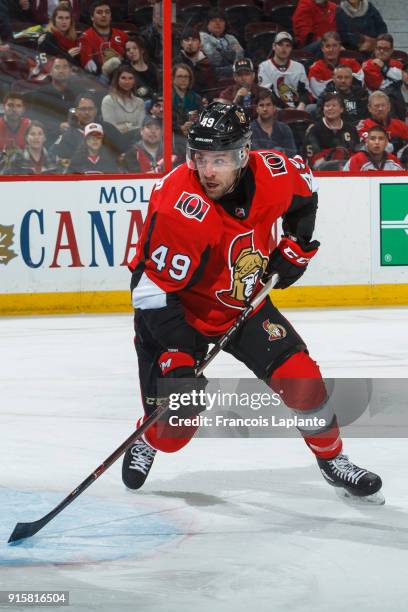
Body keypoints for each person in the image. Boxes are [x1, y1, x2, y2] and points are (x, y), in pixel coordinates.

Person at [121, 101, 383, 505]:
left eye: (219, 159)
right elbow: (151, 291)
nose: (207, 171)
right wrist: (178, 356)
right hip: (178, 316)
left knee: (303, 381)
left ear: (243, 154)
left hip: (242, 303)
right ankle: (149, 435)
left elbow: (305, 198)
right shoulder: (179, 205)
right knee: (177, 429)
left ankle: (333, 460)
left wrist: (296, 246)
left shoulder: (275, 173)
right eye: (200, 158)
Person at [52, 93, 124, 161]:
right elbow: (58, 156)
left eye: (90, 109)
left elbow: (122, 150)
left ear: (96, 111)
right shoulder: (68, 134)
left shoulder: (108, 129)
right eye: (83, 109)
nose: (87, 112)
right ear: (76, 112)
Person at [26, 56, 78, 145]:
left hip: (73, 139)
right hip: (47, 139)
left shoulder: (77, 93)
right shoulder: (41, 93)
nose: (61, 71)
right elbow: (35, 118)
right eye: (57, 67)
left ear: (70, 71)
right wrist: (58, 126)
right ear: (51, 72)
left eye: (65, 67)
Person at [257, 31, 311, 111]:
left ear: (291, 48)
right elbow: (267, 94)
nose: (284, 48)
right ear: (273, 46)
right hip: (276, 107)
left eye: (287, 45)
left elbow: (305, 92)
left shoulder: (299, 67)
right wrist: (286, 108)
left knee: (311, 108)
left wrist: (301, 105)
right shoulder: (264, 67)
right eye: (280, 44)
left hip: (298, 107)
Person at [305, 92, 359, 168]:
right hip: (323, 172)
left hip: (348, 169)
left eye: (334, 105)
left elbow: (356, 153)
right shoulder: (315, 130)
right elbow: (312, 157)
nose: (330, 108)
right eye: (327, 106)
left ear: (341, 109)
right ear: (323, 109)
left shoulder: (351, 129)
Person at [308, 31, 364, 99]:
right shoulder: (316, 69)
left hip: (351, 100)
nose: (331, 49)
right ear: (322, 48)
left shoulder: (352, 63)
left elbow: (360, 85)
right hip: (327, 105)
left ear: (340, 47)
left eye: (334, 46)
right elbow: (321, 94)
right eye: (327, 46)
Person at [79, 1, 128, 76]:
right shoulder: (85, 37)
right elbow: (89, 67)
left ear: (111, 16)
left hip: (123, 77)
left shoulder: (122, 35)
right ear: (92, 17)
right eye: (99, 12)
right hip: (99, 81)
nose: (104, 15)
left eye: (107, 12)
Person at [101, 65, 145, 149]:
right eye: (123, 78)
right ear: (117, 80)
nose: (127, 82)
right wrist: (132, 126)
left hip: (137, 143)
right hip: (116, 143)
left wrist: (125, 127)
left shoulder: (140, 102)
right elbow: (111, 129)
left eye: (130, 78)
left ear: (134, 81)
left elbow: (141, 128)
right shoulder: (108, 100)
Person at [357, 90, 408, 155]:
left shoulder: (401, 125)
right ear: (369, 108)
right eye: (376, 106)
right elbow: (373, 148)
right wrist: (394, 145)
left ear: (389, 107)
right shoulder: (363, 126)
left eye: (383, 105)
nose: (380, 109)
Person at [250, 89, 297, 157]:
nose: (265, 109)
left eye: (268, 105)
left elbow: (292, 153)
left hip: (282, 166)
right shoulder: (249, 130)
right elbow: (254, 154)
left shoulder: (284, 129)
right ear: (257, 109)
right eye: (261, 105)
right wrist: (276, 152)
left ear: (274, 108)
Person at [199, 9, 244, 79]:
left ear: (225, 24)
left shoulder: (231, 38)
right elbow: (215, 59)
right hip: (214, 74)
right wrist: (232, 57)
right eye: (213, 20)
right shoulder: (202, 36)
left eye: (221, 20)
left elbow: (240, 55)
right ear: (207, 23)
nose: (218, 23)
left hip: (234, 73)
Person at [173, 27, 215, 97]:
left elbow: (212, 87)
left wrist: (207, 98)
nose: (190, 43)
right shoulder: (175, 63)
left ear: (199, 43)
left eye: (194, 40)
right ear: (181, 43)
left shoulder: (208, 62)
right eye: (187, 40)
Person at [172, 63, 202, 138]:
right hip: (172, 135)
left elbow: (202, 118)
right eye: (179, 76)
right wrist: (180, 128)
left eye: (186, 77)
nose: (183, 79)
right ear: (173, 78)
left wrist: (193, 124)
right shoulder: (165, 97)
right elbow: (161, 121)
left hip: (192, 134)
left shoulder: (196, 98)